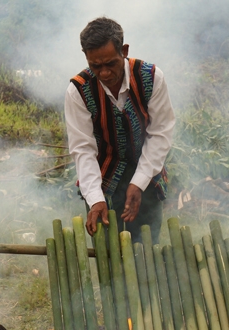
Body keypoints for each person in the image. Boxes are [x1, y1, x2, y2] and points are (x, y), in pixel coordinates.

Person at [64, 17, 175, 244]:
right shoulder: (78, 91)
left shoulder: (151, 77)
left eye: (110, 64)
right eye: (96, 66)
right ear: (86, 57)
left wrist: (139, 182)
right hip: (102, 177)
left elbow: (160, 133)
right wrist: (95, 199)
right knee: (109, 251)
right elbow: (83, 149)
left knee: (145, 247)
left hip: (147, 172)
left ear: (124, 51)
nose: (104, 73)